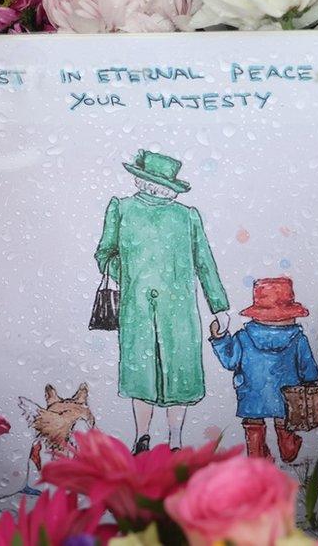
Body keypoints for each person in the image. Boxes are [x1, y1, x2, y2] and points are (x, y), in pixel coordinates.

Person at [95, 149, 230, 453]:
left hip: (178, 310)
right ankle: (142, 437)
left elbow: (204, 262)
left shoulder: (186, 216)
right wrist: (126, 274)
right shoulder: (121, 209)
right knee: (141, 373)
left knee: (179, 374)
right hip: (137, 308)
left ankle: (176, 441)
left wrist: (219, 305)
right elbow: (104, 253)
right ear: (143, 181)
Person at [209, 277, 318, 463]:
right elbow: (308, 368)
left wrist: (220, 338)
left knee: (253, 426)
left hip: (252, 394)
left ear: (256, 314)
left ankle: (258, 458)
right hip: (288, 395)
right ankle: (288, 448)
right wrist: (311, 382)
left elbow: (229, 362)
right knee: (285, 422)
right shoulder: (299, 339)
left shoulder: (243, 337)